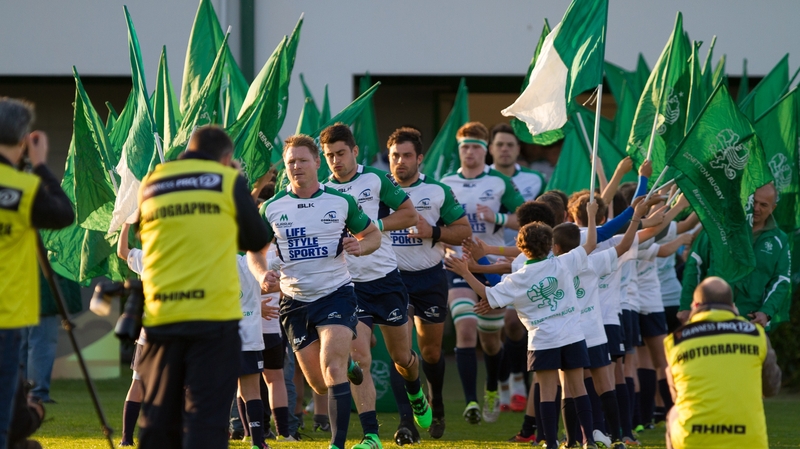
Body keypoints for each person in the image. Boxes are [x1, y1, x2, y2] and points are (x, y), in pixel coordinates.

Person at [135, 125, 269, 449]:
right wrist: (237, 181)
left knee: (158, 417)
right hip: (213, 320)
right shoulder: (225, 180)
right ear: (225, 158)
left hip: (162, 315)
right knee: (206, 418)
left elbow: (149, 233)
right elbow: (256, 239)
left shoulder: (153, 181)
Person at [248, 134, 382, 449]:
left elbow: (373, 235)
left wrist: (359, 246)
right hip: (294, 301)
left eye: (303, 160)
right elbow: (254, 251)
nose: (297, 166)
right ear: (285, 167)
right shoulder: (271, 207)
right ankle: (346, 362)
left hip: (336, 293)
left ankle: (337, 444)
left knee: (331, 365)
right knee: (319, 385)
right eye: (291, 162)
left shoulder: (339, 201)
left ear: (317, 163)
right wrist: (261, 274)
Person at [446, 201, 600, 449]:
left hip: (542, 341)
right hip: (573, 336)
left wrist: (466, 273)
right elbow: (591, 244)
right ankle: (588, 440)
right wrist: (591, 216)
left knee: (547, 393)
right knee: (578, 387)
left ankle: (550, 442)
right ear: (551, 246)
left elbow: (488, 295)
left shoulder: (516, 276)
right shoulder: (562, 262)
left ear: (519, 247)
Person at [322, 124, 433, 449]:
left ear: (355, 152)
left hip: (385, 280)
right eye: (329, 155)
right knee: (361, 356)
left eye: (341, 153)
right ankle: (371, 435)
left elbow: (410, 214)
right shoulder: (324, 190)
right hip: (347, 285)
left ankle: (416, 392)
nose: (335, 161)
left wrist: (373, 228)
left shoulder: (375, 179)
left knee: (402, 357)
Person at [386, 127, 471, 441]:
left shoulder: (437, 191)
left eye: (407, 155)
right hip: (392, 281)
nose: (401, 161)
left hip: (430, 277)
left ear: (419, 158)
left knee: (431, 352)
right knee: (401, 353)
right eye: (395, 155)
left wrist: (433, 232)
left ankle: (436, 401)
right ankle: (407, 423)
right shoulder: (379, 189)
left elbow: (463, 231)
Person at [0, 97, 74, 449]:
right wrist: (42, 166)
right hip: (6, 317)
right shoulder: (21, 189)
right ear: (22, 140)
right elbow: (62, 214)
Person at [440, 122, 525, 424]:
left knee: (491, 342)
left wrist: (499, 216)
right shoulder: (446, 182)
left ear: (485, 149)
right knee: (464, 329)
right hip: (456, 265)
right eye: (465, 146)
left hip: (490, 269)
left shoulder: (500, 182)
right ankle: (471, 403)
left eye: (476, 146)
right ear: (459, 149)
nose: (470, 152)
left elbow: (526, 218)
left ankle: (492, 386)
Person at [664, 277, 781, 449]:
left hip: (695, 440)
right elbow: (771, 387)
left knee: (674, 412)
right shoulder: (756, 335)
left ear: (695, 306)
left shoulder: (676, 340)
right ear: (733, 306)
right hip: (748, 441)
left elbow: (677, 395)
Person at [488, 123, 545, 413]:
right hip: (487, 259)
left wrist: (498, 217)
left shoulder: (534, 180)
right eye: (499, 144)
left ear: (518, 149)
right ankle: (504, 384)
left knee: (515, 324)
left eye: (510, 144)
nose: (505, 149)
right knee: (492, 328)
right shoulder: (483, 180)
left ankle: (519, 382)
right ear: (491, 149)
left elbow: (542, 218)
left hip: (527, 260)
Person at [678, 183, 791, 329]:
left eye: (763, 205)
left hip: (751, 321)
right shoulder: (719, 228)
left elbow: (781, 280)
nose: (756, 208)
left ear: (773, 208)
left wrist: (766, 312)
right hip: (711, 317)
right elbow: (695, 265)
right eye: (754, 202)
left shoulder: (779, 240)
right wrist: (686, 305)